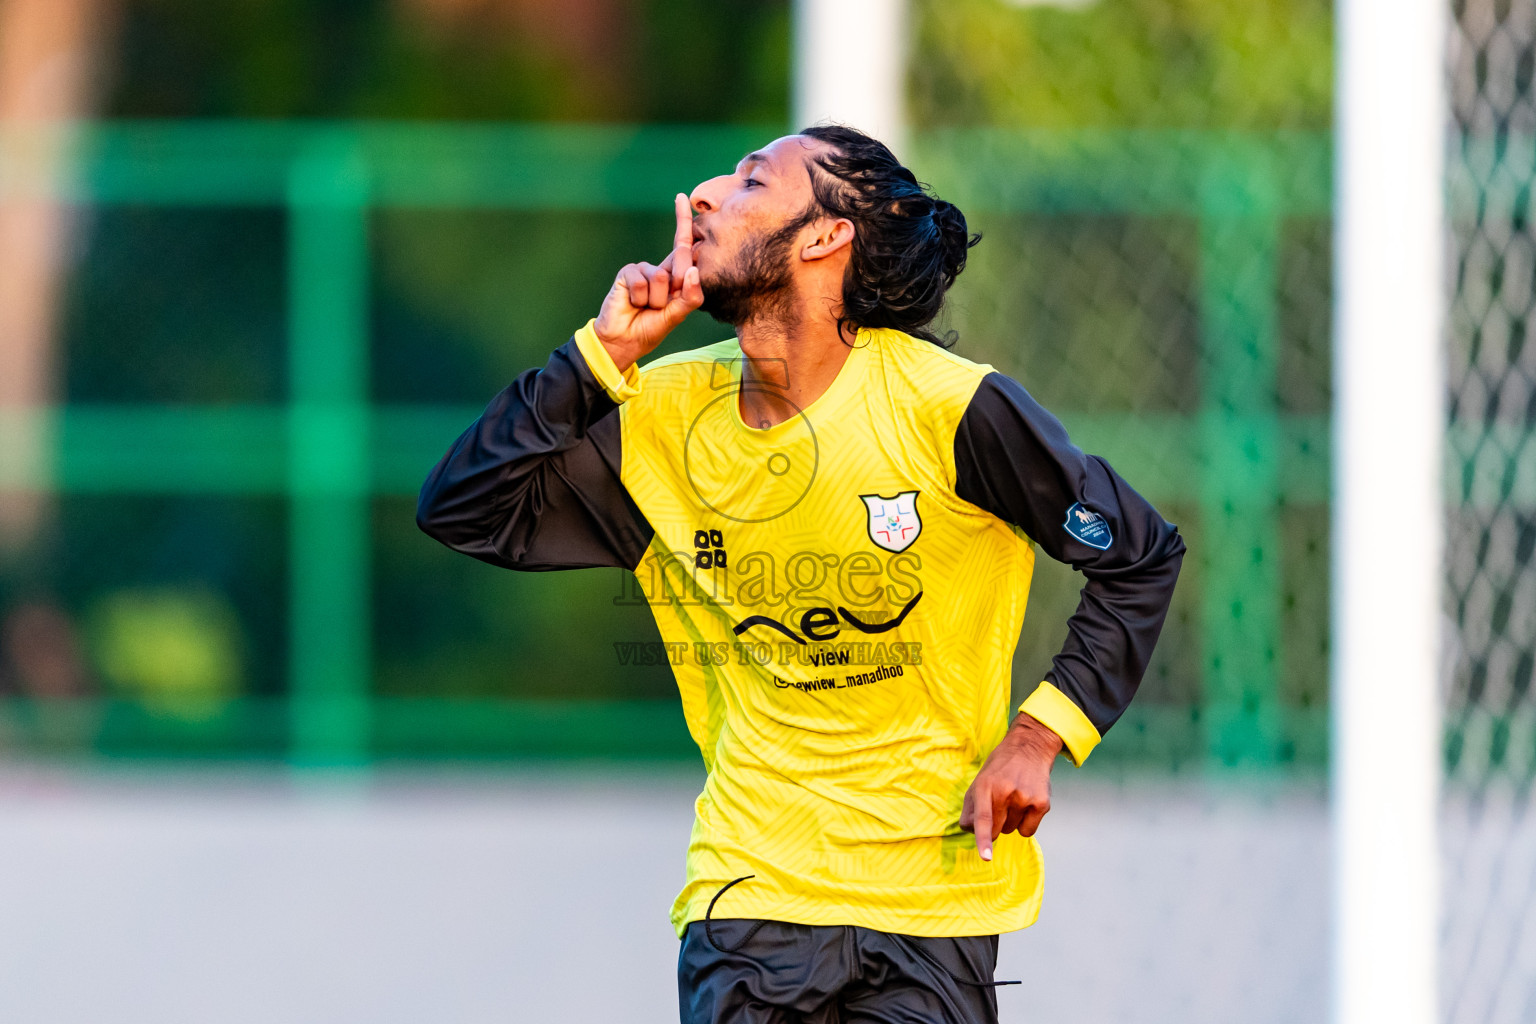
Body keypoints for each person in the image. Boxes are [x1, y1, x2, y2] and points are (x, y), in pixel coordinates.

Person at [417, 124, 1185, 1024]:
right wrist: (600, 357)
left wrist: (1039, 735)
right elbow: (465, 507)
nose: (703, 195)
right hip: (752, 895)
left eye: (749, 184)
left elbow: (1139, 554)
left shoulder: (951, 410)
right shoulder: (660, 415)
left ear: (826, 237)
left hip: (931, 902)